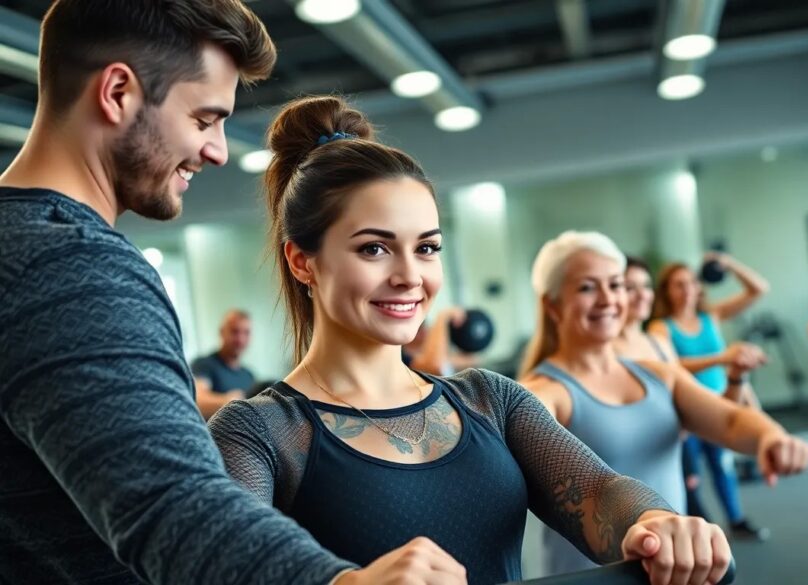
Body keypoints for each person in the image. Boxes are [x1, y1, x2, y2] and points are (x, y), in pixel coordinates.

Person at [208, 95, 736, 585]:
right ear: (302, 260)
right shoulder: (260, 432)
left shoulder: (490, 400)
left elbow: (599, 493)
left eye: (428, 248)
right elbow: (235, 562)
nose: (410, 276)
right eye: (374, 249)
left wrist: (657, 520)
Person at [0, 2, 355, 583]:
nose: (217, 149)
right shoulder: (71, 265)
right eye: (203, 119)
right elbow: (172, 508)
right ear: (117, 92)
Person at [517, 231, 808, 576]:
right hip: (591, 576)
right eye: (587, 288)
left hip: (675, 571)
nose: (607, 299)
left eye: (615, 285)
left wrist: (771, 436)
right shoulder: (540, 393)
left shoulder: (660, 376)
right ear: (552, 305)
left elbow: (731, 421)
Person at [648, 255, 771, 539]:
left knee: (722, 466)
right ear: (666, 290)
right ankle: (699, 532)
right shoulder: (660, 327)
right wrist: (721, 357)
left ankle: (736, 519)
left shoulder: (710, 316)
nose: (687, 289)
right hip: (686, 410)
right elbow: (671, 365)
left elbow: (759, 289)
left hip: (720, 405)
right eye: (679, 284)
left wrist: (729, 263)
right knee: (690, 476)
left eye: (691, 282)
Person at [192, 309, 256, 418]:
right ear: (222, 332)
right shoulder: (204, 365)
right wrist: (230, 401)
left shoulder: (249, 375)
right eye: (234, 331)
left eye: (246, 333)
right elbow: (199, 401)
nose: (240, 339)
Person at [402, 306, 480, 376]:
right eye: (418, 329)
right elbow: (437, 366)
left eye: (423, 326)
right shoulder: (403, 358)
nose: (424, 331)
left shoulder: (433, 353)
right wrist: (443, 316)